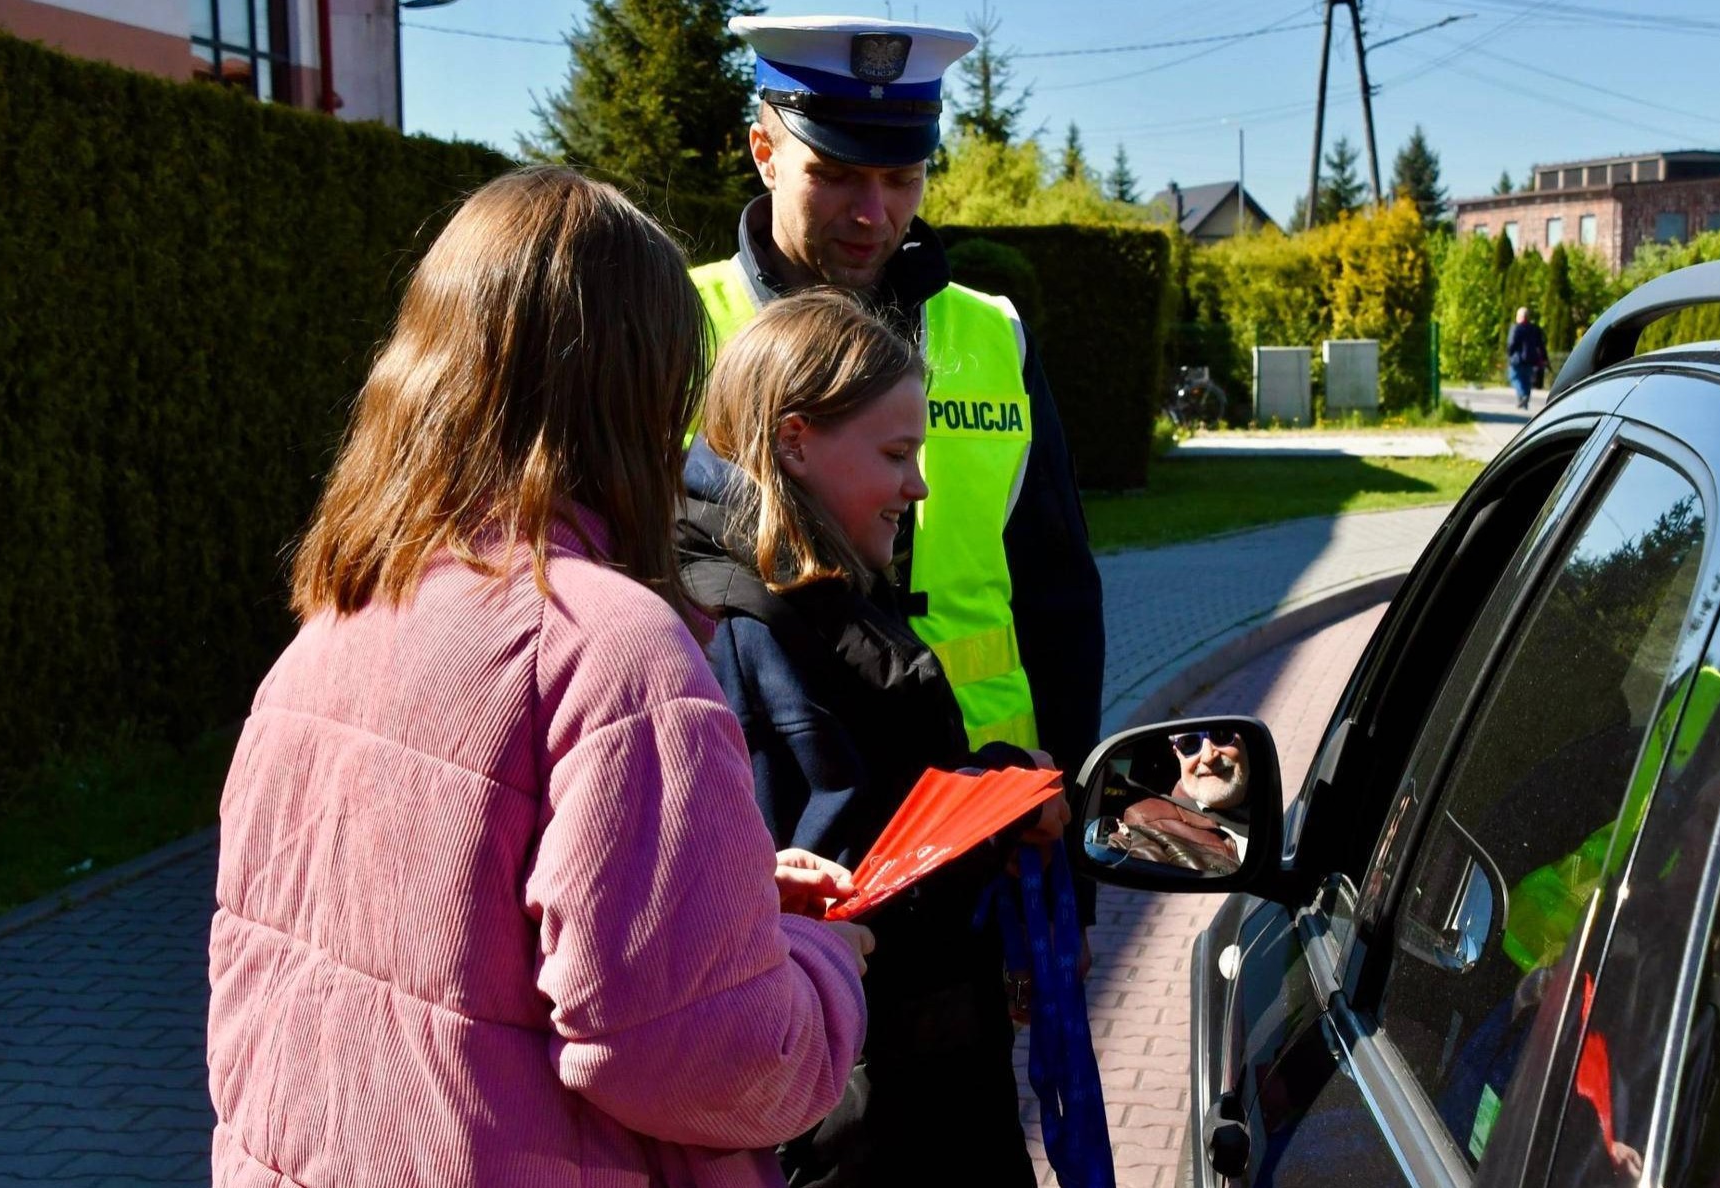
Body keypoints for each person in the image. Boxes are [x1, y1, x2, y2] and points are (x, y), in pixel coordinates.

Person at [207, 167, 872, 1188]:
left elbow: (427, 928)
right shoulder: (610, 646)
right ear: (644, 388)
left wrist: (722, 899)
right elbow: (701, 1055)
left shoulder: (329, 626)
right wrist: (822, 972)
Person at [676, 288, 1065, 1186]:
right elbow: (844, 873)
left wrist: (993, 787)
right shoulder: (753, 626)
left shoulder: (800, 579)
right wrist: (996, 806)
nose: (919, 487)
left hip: (879, 1093)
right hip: (859, 1116)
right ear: (796, 438)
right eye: (898, 454)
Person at [691, 15, 1106, 816]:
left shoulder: (996, 334)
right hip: (761, 814)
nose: (872, 213)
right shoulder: (678, 320)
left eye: (902, 177)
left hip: (989, 812)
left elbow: (1059, 601)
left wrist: (1072, 847)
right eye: (838, 174)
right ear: (765, 153)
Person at [1508, 306, 1549, 411]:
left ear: (1519, 317)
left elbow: (1511, 344)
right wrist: (1544, 358)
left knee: (1515, 378)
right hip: (1531, 359)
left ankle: (1523, 396)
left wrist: (1510, 354)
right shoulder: (1535, 329)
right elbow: (1541, 345)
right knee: (1526, 381)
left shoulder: (1516, 328)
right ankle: (1524, 401)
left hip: (1518, 360)